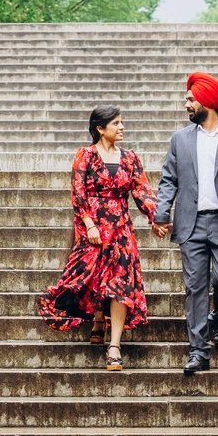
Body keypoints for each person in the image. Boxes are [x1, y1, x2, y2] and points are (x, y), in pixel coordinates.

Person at [152, 71, 218, 375]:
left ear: (208, 101)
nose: (186, 104)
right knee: (195, 287)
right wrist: (161, 214)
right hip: (191, 223)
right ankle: (199, 351)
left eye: (190, 99)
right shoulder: (180, 139)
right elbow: (168, 180)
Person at [37, 103, 158, 370]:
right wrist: (90, 225)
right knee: (95, 278)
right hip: (91, 227)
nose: (122, 127)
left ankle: (114, 346)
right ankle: (98, 318)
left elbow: (143, 191)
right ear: (100, 129)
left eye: (121, 122)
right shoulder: (86, 155)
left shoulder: (130, 158)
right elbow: (78, 192)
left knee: (121, 282)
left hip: (121, 228)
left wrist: (156, 218)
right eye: (116, 123)